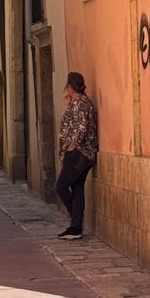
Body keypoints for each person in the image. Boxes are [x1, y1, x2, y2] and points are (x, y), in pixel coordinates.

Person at [55, 71, 98, 239]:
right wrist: (69, 106)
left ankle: (76, 221)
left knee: (61, 186)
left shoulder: (81, 104)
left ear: (71, 87)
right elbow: (73, 123)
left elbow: (82, 126)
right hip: (84, 153)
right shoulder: (80, 103)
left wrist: (73, 145)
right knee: (77, 187)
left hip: (79, 154)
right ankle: (75, 228)